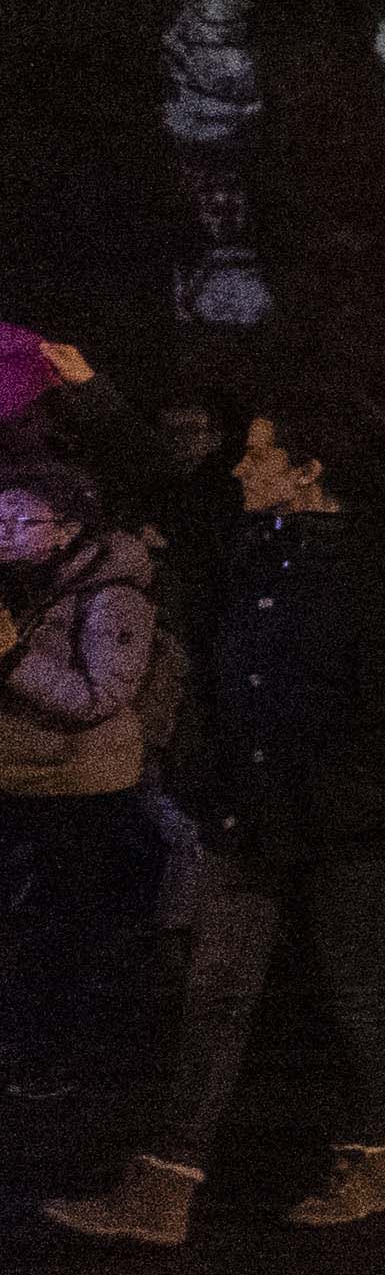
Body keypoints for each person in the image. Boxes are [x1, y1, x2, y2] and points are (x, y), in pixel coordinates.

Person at [48, 388, 385, 1244]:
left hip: (357, 817)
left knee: (349, 990)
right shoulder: (251, 545)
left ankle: (367, 1161)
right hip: (255, 808)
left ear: (310, 470)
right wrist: (92, 397)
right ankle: (163, 1188)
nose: (239, 466)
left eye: (259, 452)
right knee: (216, 990)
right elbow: (168, 487)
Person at [0, 440, 168, 1107]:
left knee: (57, 932)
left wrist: (12, 657)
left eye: (23, 521)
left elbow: (101, 697)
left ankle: (48, 1058)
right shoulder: (16, 586)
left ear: (69, 530)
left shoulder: (114, 595)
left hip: (76, 786)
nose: (5, 533)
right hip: (13, 774)